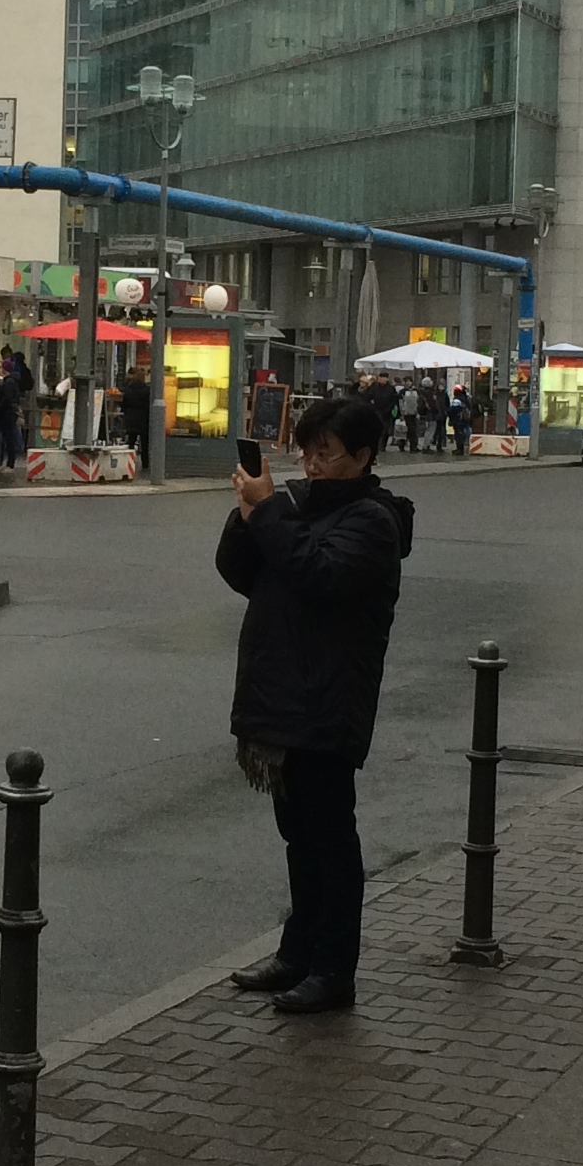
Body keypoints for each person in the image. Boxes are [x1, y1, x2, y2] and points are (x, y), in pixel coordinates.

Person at [217, 393, 414, 1018]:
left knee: (330, 840)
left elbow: (318, 575)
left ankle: (334, 969)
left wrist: (270, 512)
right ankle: (297, 953)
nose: (310, 465)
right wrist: (247, 516)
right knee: (298, 837)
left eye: (324, 454)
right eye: (306, 452)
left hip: (328, 700)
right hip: (282, 696)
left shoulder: (373, 521)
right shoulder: (300, 507)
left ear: (362, 457)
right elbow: (242, 572)